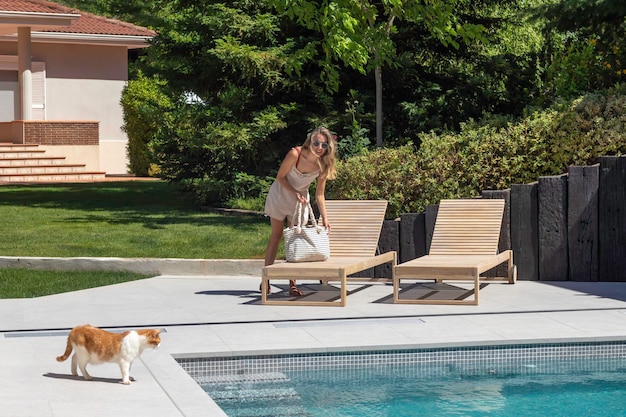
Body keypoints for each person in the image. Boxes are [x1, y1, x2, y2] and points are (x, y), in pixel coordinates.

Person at [263, 126, 338, 296]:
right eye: (316, 143)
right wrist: (294, 192)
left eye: (324, 145)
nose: (319, 147)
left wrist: (325, 218)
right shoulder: (295, 154)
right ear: (310, 141)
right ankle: (266, 281)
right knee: (276, 236)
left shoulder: (323, 163)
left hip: (300, 200)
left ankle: (292, 285)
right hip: (281, 194)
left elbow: (320, 194)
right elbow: (280, 177)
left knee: (295, 240)